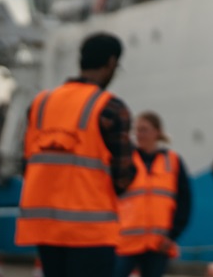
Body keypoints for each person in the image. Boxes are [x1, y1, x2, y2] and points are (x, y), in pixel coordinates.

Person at [15, 32, 136, 277]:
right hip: (91, 232)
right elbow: (123, 177)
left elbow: (26, 165)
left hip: (45, 229)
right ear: (111, 62)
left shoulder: (40, 104)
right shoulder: (111, 108)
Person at [115, 111, 193, 277]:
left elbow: (184, 202)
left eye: (144, 129)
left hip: (158, 244)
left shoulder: (173, 161)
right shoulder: (126, 160)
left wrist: (172, 235)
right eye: (137, 130)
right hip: (126, 242)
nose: (139, 135)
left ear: (157, 132)